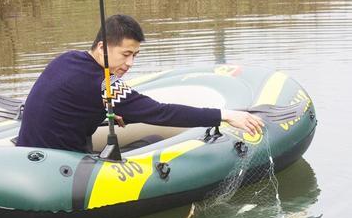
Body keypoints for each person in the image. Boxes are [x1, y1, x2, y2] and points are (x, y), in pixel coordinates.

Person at [16, 14, 263, 152]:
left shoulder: (67, 58)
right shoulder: (106, 85)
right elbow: (160, 112)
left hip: (29, 155)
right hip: (58, 169)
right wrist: (225, 115)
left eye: (135, 55)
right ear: (102, 47)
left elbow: (73, 104)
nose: (131, 63)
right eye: (125, 54)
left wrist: (107, 112)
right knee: (152, 142)